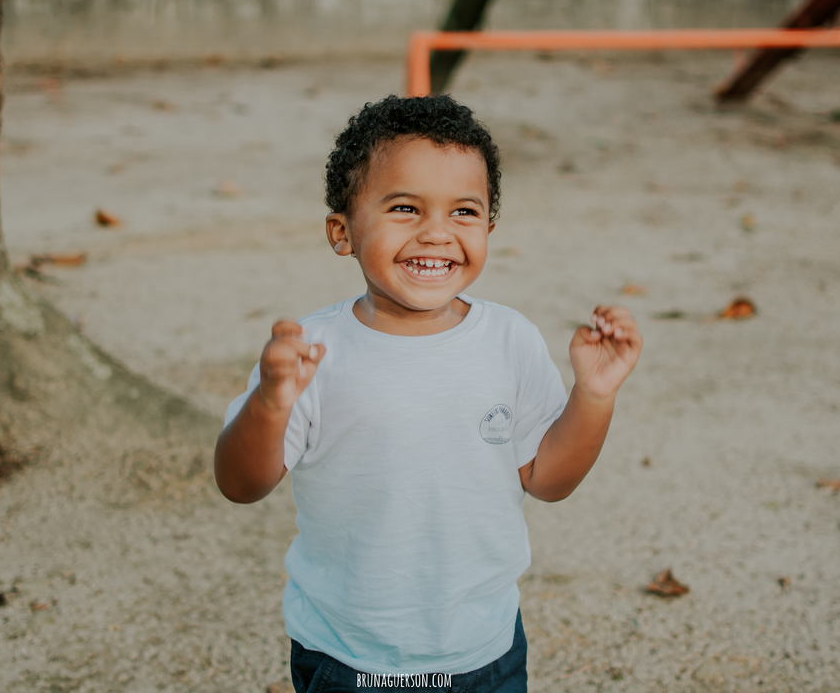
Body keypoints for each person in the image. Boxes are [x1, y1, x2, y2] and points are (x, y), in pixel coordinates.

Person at [214, 94, 642, 693]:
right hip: (347, 656)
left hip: (484, 648)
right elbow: (240, 484)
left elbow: (549, 480)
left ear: (488, 227)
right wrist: (268, 404)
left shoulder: (510, 339)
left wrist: (593, 396)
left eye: (464, 211)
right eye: (405, 208)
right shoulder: (311, 352)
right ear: (342, 232)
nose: (437, 233)